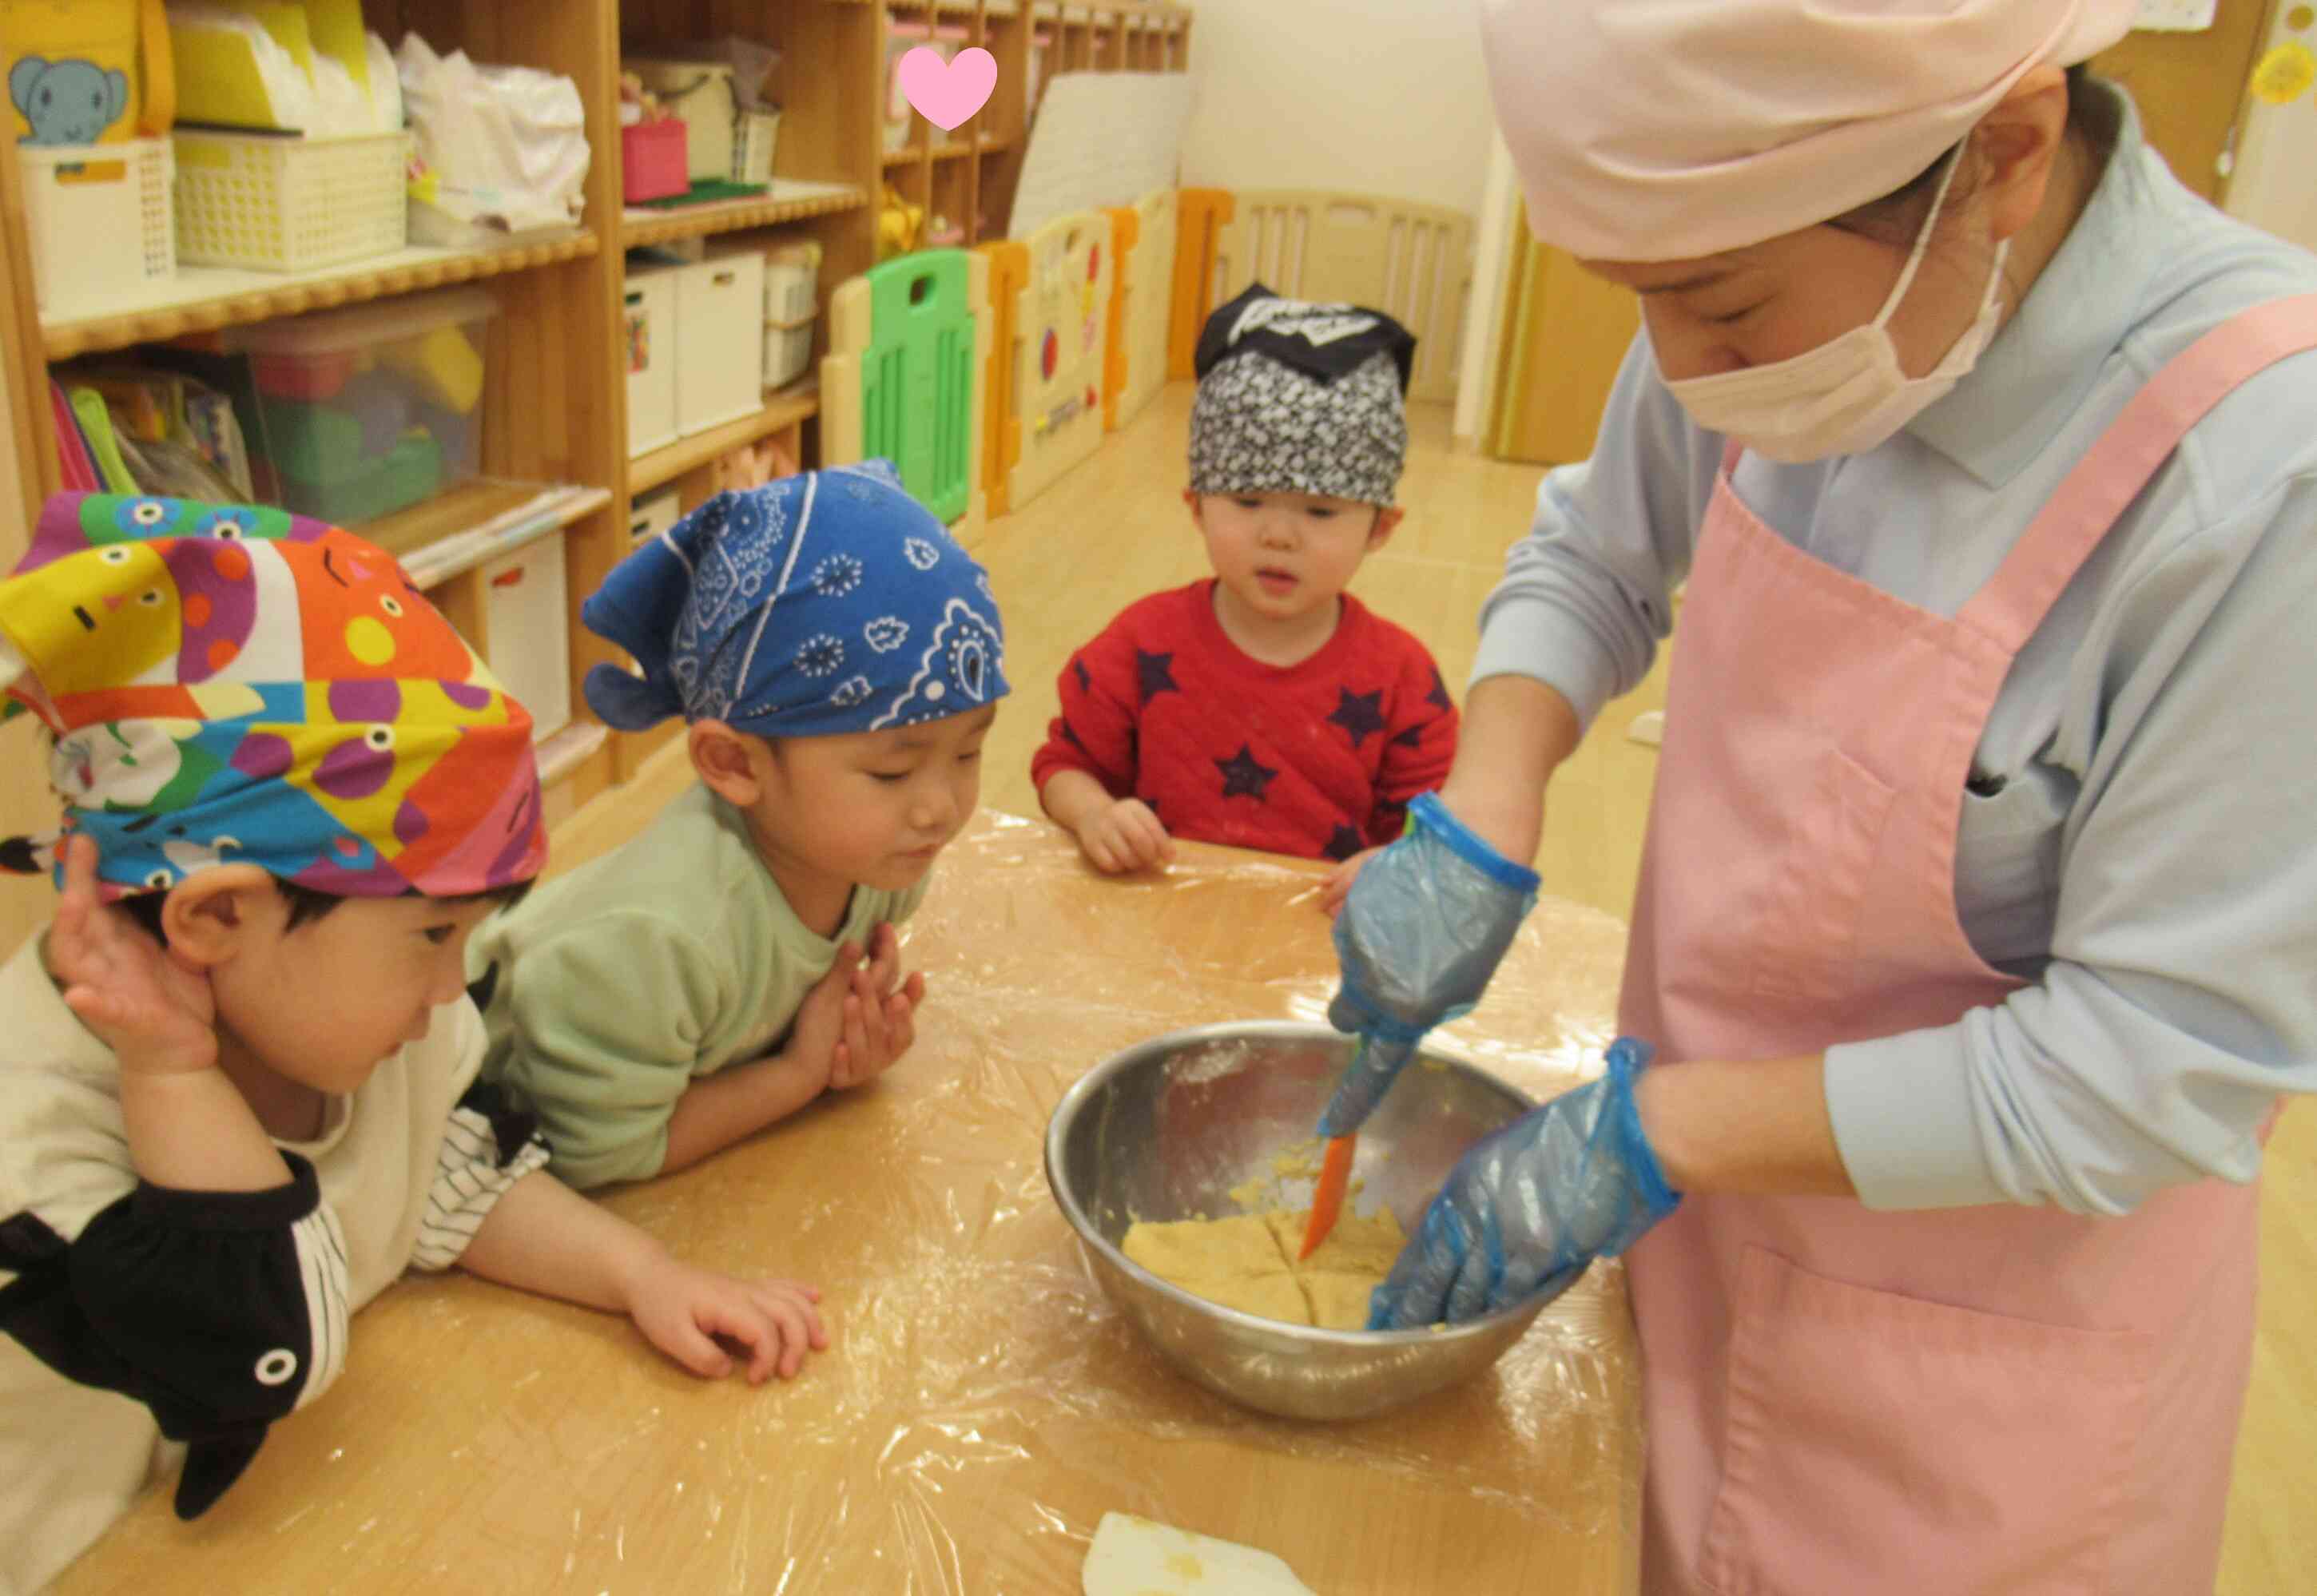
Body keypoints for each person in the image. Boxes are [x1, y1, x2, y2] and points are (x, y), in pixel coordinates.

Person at [1320, 3, 2317, 1590]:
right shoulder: (1775, 287)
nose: (1673, 366)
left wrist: (1644, 1131)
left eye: (1718, 308)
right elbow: (1596, 549)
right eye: (1635, 298)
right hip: (1698, 1250)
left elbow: (2151, 1070)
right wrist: (1486, 799)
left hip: (1976, 1401)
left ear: (1997, 155)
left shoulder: (2263, 477)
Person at [0, 494, 826, 1594]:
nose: (453, 987)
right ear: (211, 918)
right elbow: (248, 1348)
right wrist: (171, 1076)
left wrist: (643, 1272)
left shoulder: (369, 1026)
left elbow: (445, 1173)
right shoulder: (32, 1134)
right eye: (433, 935)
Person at [469, 460, 1007, 1191]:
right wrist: (799, 1075)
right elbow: (591, 1152)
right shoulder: (658, 938)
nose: (940, 807)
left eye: (968, 751)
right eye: (892, 772)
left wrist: (846, 1026)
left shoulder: (880, 861)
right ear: (734, 762)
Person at [1031, 284, 1458, 871]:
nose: (1279, 536)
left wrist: (1393, 866)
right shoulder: (1139, 644)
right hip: (1154, 929)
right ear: (1196, 506)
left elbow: (1441, 826)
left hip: (1318, 942)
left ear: (1381, 527)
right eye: (1248, 501)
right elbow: (1064, 765)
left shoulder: (1402, 679)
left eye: (1321, 512)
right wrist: (1094, 814)